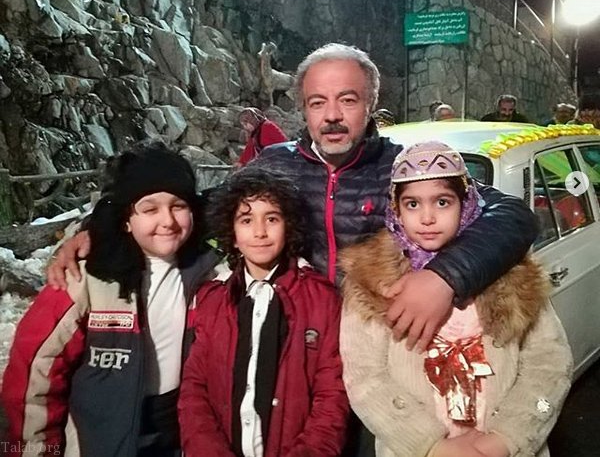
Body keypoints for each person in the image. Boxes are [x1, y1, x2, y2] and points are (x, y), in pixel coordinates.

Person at [47, 44, 538, 456]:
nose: (332, 116)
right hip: (297, 360)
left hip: (388, 362)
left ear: (371, 104)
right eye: (317, 102)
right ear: (302, 108)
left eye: (347, 100)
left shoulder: (402, 168)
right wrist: (102, 226)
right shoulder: (274, 165)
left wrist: (444, 277)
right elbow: (197, 209)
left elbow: (510, 214)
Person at [339, 141, 573, 457]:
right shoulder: (372, 280)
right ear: (395, 208)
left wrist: (507, 438)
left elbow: (549, 362)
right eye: (412, 204)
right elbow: (365, 378)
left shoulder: (510, 271)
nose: (427, 218)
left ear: (466, 203)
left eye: (442, 202)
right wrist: (430, 445)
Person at [2, 142, 219, 457]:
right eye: (150, 209)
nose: (167, 221)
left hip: (177, 431)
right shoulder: (87, 277)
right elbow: (36, 366)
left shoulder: (207, 272)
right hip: (99, 436)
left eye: (178, 206)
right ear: (127, 218)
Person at [178, 167, 349, 456]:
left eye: (272, 219)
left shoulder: (321, 299)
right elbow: (195, 387)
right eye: (246, 220)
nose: (260, 232)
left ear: (288, 226)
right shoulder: (212, 299)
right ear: (232, 233)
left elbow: (332, 395)